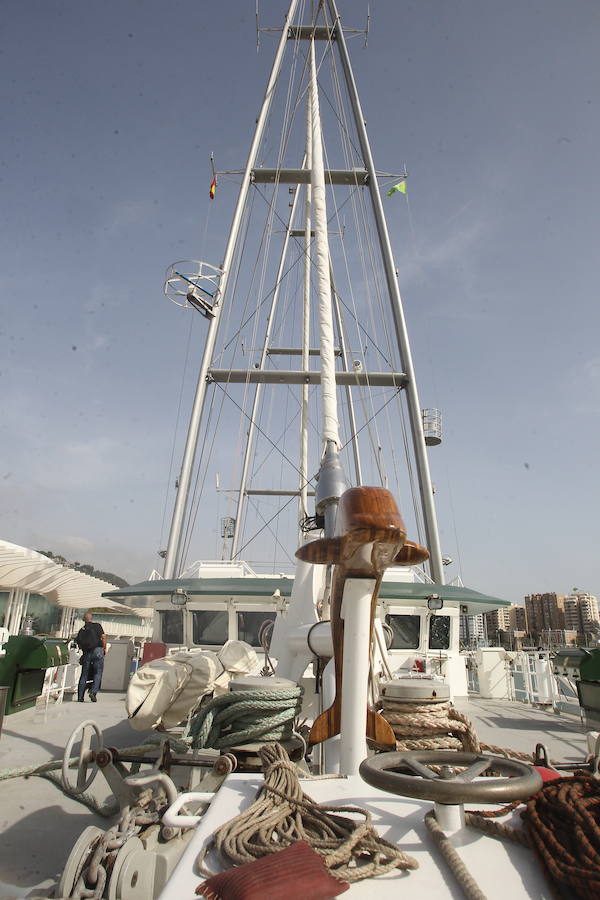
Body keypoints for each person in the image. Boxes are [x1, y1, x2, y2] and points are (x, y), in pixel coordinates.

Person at [75, 612, 107, 702]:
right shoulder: (97, 626)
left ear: (83, 619)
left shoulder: (82, 630)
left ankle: (80, 697)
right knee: (98, 672)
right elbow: (103, 637)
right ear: (91, 618)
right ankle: (93, 692)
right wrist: (104, 648)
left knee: (84, 674)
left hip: (87, 653)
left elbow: (79, 643)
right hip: (97, 650)